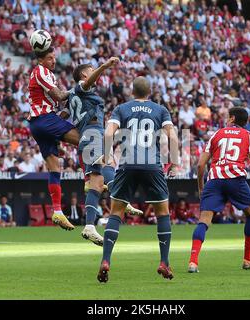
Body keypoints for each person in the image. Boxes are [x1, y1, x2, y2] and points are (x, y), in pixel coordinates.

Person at [97, 76, 179, 283]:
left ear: (132, 92)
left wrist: (107, 156)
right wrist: (175, 163)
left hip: (127, 164)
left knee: (116, 211)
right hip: (153, 165)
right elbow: (173, 136)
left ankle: (106, 260)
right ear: (149, 92)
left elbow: (108, 133)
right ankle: (164, 261)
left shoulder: (122, 109)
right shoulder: (160, 110)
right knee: (162, 213)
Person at [68, 58, 142, 246]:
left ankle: (90, 226)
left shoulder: (73, 96)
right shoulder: (81, 87)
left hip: (86, 136)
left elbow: (64, 113)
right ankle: (122, 200)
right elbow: (88, 82)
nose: (94, 73)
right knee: (108, 163)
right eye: (91, 70)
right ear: (84, 74)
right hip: (93, 133)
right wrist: (104, 66)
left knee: (96, 184)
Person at [188, 107, 250, 273]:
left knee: (204, 221)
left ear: (232, 119)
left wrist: (201, 187)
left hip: (215, 180)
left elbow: (200, 164)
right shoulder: (249, 136)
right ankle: (247, 259)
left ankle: (193, 262)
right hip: (235, 179)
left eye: (228, 117)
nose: (226, 119)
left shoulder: (216, 134)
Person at [28, 46, 80, 231]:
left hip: (39, 124)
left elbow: (57, 102)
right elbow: (58, 95)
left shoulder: (45, 73)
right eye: (50, 58)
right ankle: (90, 180)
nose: (54, 61)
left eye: (54, 58)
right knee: (85, 140)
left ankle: (57, 211)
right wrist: (77, 89)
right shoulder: (41, 71)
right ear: (41, 60)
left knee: (54, 167)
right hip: (44, 119)